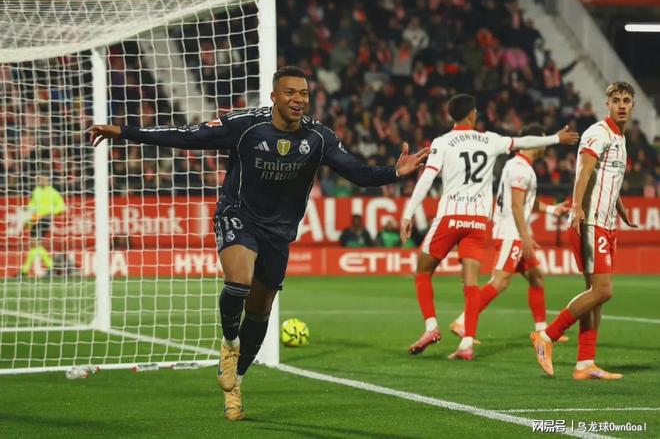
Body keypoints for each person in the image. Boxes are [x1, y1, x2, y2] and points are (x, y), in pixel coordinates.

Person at [86, 65, 428, 420]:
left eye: (304, 94)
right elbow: (186, 136)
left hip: (279, 232)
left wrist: (394, 172)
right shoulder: (245, 125)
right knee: (238, 282)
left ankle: (236, 381)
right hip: (238, 215)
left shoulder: (319, 137)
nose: (298, 100)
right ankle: (229, 344)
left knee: (260, 311)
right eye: (290, 93)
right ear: (274, 97)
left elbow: (357, 173)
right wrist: (124, 131)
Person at [399, 93, 578, 360]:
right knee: (472, 283)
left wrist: (408, 213)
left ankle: (432, 327)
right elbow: (522, 142)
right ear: (472, 114)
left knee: (423, 271)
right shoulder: (490, 140)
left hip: (450, 216)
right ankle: (466, 344)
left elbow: (426, 178)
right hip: (478, 221)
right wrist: (555, 138)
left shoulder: (442, 142)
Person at [531, 82, 638, 380]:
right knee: (603, 290)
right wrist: (577, 206)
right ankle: (547, 336)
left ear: (632, 105)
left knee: (596, 294)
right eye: (616, 100)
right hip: (590, 221)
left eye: (626, 100)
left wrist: (619, 207)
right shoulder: (598, 132)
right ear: (607, 104)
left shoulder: (620, 138)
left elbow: (608, 179)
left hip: (607, 223)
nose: (621, 105)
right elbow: (585, 171)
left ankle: (585, 363)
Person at [448, 124, 570, 343]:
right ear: (533, 141)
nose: (544, 144)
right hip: (510, 234)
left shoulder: (519, 166)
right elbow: (515, 205)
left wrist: (552, 210)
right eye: (542, 139)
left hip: (515, 233)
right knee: (500, 281)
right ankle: (463, 321)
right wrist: (525, 236)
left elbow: (524, 202)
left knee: (536, 278)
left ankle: (542, 331)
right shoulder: (520, 169)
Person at [19, 175, 66, 277]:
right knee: (34, 245)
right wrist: (28, 218)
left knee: (35, 244)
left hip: (45, 219)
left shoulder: (53, 192)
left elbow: (61, 207)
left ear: (48, 180)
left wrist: (49, 212)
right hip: (35, 219)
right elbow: (32, 206)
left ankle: (48, 266)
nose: (42, 181)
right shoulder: (36, 191)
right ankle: (26, 270)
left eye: (44, 179)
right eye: (40, 179)